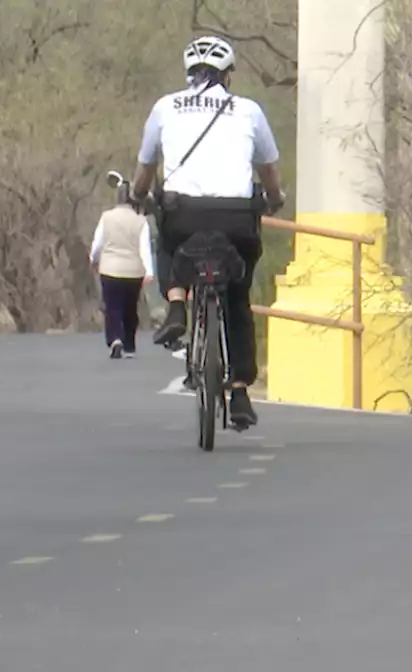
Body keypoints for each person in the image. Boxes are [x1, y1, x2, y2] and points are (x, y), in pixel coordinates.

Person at [129, 35, 285, 428]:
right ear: (228, 75)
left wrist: (138, 195)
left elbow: (147, 165)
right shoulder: (248, 111)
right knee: (237, 297)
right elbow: (269, 169)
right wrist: (274, 197)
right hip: (235, 218)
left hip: (184, 214)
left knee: (165, 239)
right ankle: (239, 393)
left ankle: (177, 303)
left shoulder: (166, 106)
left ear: (188, 74)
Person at [90, 179, 155, 359]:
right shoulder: (141, 221)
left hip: (110, 269)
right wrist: (149, 271)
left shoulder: (107, 217)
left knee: (112, 307)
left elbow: (98, 243)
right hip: (133, 271)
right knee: (130, 307)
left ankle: (115, 338)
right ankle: (129, 346)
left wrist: (93, 259)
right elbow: (144, 248)